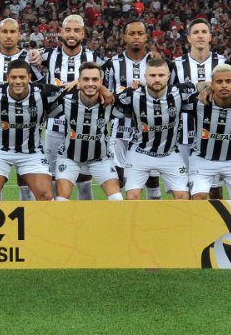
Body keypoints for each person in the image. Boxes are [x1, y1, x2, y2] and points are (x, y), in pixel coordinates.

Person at [34, 14, 104, 201]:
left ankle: (85, 224)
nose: (71, 34)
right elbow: (19, 55)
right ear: (61, 32)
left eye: (76, 30)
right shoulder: (48, 55)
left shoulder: (95, 58)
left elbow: (107, 89)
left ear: (83, 33)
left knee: (84, 180)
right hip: (54, 128)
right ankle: (55, 223)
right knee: (54, 179)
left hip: (85, 129)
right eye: (67, 30)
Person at [0, 59, 64, 201]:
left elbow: (73, 91)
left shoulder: (44, 92)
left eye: (22, 77)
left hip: (32, 153)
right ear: (7, 78)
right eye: (13, 77)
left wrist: (101, 88)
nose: (18, 81)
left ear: (29, 77)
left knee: (46, 196)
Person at [114, 57, 196, 200]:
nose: (157, 79)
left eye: (161, 75)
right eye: (152, 75)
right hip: (139, 153)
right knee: (132, 198)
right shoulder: (132, 95)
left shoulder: (180, 91)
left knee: (184, 197)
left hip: (169, 154)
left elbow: (205, 86)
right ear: (145, 76)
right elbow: (109, 101)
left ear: (168, 76)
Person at [48, 62, 122, 201]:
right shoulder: (66, 99)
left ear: (101, 82)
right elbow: (41, 92)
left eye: (95, 80)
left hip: (100, 159)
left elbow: (134, 99)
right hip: (69, 158)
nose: (90, 83)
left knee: (117, 199)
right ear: (79, 81)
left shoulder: (110, 102)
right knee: (61, 201)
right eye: (86, 79)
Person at [103, 19, 158, 197]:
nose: (136, 37)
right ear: (124, 37)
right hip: (121, 125)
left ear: (146, 37)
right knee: (120, 173)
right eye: (132, 33)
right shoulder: (112, 63)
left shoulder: (155, 62)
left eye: (140, 33)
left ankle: (155, 216)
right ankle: (123, 214)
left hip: (149, 126)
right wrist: (126, 93)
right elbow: (106, 96)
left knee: (152, 175)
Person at [187, 64, 231, 200]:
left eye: (228, 81)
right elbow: (174, 92)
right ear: (212, 84)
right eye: (219, 82)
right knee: (198, 198)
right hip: (202, 160)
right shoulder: (198, 102)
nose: (224, 85)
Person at [172, 18, 226, 198]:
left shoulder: (223, 62)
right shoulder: (176, 64)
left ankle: (218, 224)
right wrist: (204, 86)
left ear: (210, 37)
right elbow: (170, 95)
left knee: (215, 188)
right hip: (184, 133)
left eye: (204, 32)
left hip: (215, 131)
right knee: (184, 187)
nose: (200, 36)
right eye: (195, 32)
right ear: (189, 38)